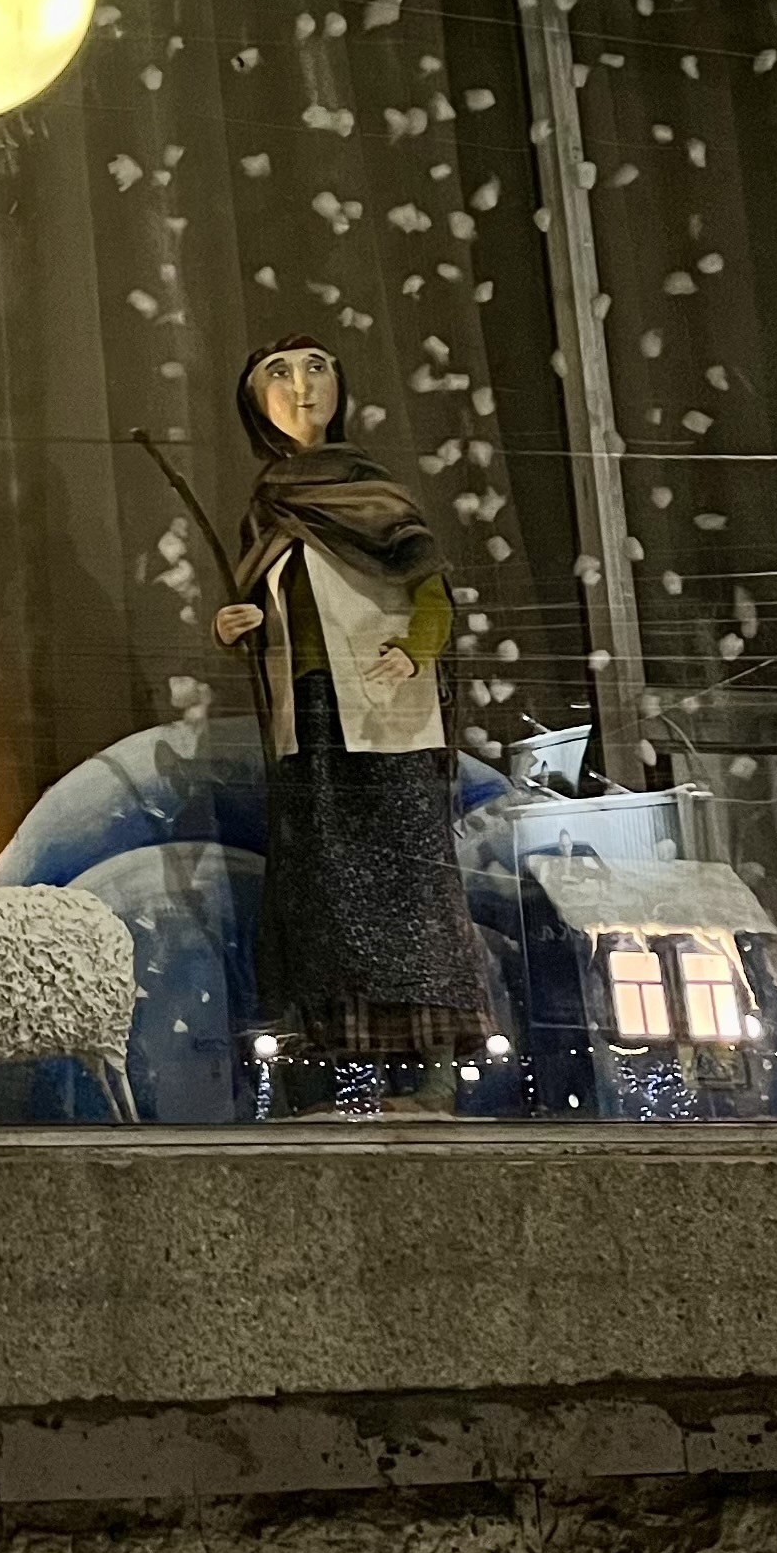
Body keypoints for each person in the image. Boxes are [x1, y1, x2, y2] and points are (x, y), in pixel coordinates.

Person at [209, 335, 488, 1103]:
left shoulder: (375, 494)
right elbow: (271, 609)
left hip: (387, 717)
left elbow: (431, 594)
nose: (301, 386)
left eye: (316, 368)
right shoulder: (266, 511)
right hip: (307, 722)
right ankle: (326, 1075)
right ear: (254, 402)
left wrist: (414, 651)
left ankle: (434, 1074)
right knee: (321, 892)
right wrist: (237, 626)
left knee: (410, 886)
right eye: (278, 374)